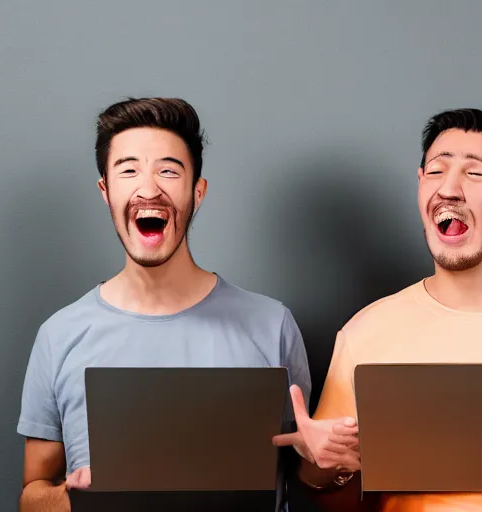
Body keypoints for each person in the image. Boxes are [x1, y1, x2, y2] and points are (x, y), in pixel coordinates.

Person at [17, 96, 320, 512]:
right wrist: (71, 499)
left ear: (197, 192)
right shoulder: (60, 335)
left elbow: (306, 474)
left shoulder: (272, 324)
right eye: (128, 170)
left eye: (168, 171)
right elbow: (32, 492)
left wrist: (325, 464)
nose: (148, 188)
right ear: (106, 191)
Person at [275, 108, 482, 512]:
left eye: (476, 174)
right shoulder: (367, 332)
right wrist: (328, 467)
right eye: (437, 172)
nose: (451, 189)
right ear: (420, 185)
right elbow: (336, 498)